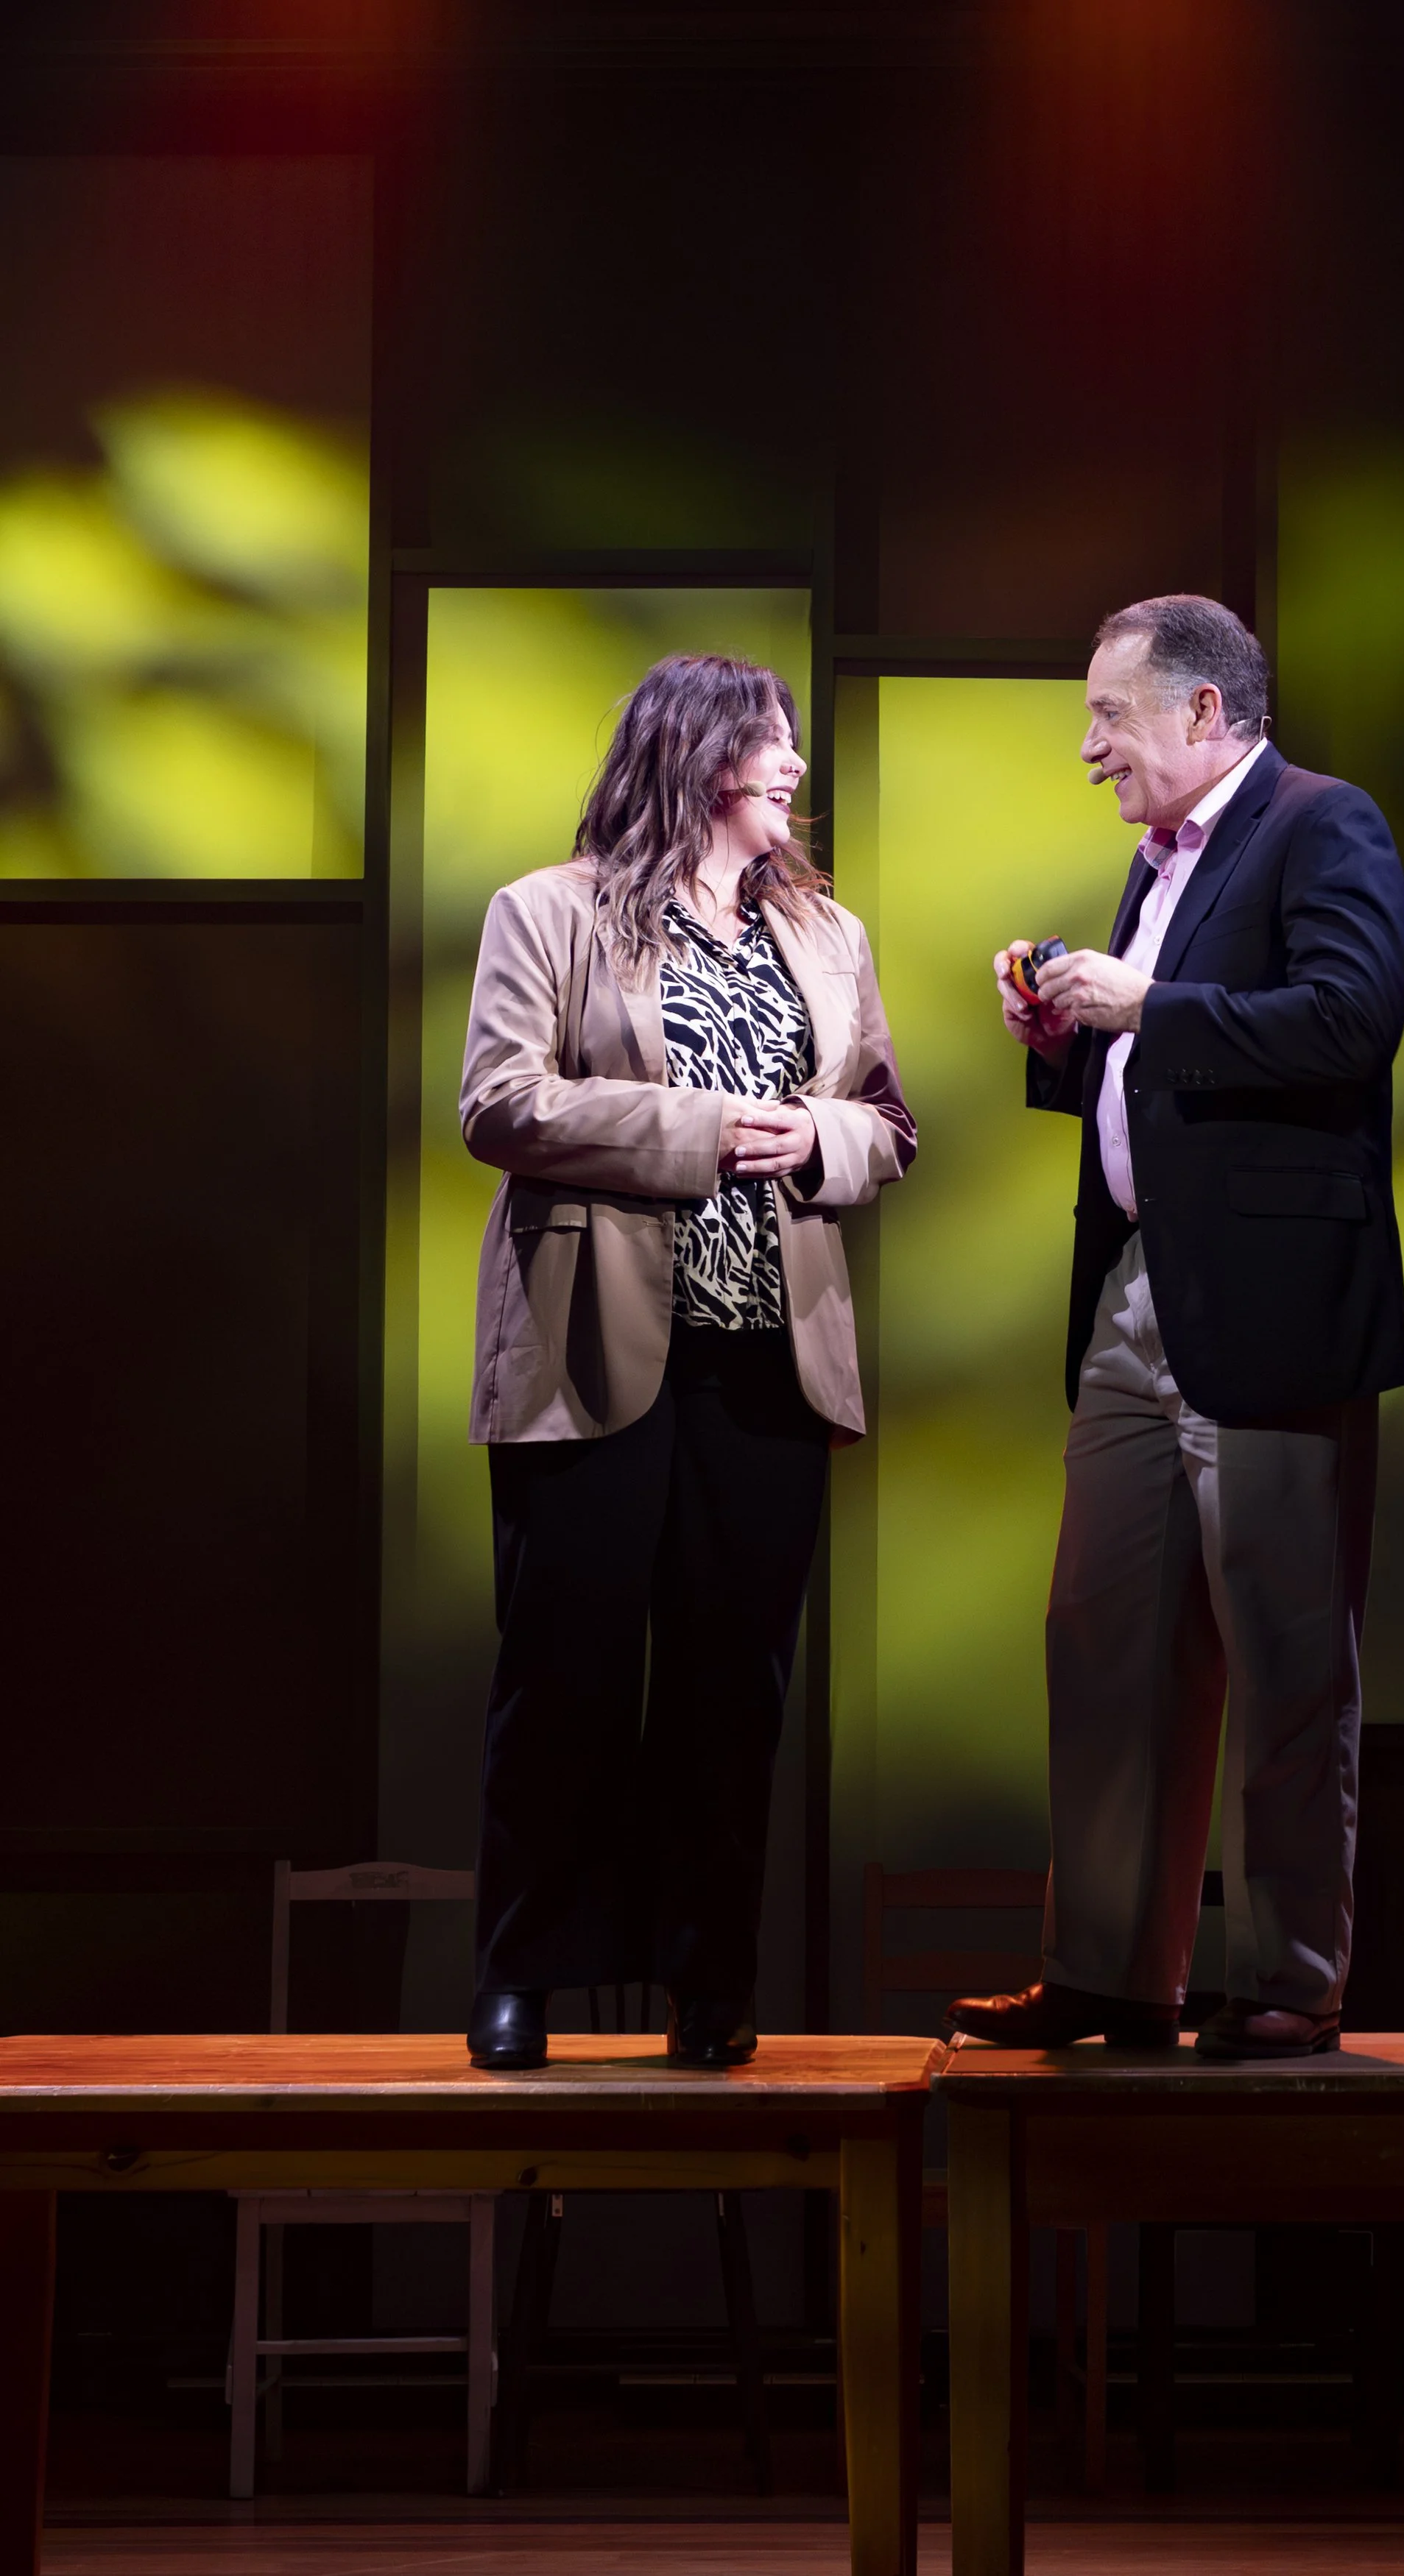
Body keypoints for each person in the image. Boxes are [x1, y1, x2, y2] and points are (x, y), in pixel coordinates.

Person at [946, 595, 1404, 2061]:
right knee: (1100, 1641)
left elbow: (1350, 1017)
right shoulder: (1152, 865)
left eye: (1108, 715)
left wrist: (1146, 998)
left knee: (1282, 1649)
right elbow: (1161, 1067)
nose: (1088, 746)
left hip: (1269, 1307)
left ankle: (1288, 1978)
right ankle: (1105, 1971)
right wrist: (1068, 1037)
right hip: (1134, 1292)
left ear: (1202, 715)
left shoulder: (1321, 827)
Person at [459, 653, 915, 2070]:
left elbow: (889, 1123)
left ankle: (711, 1978)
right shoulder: (550, 911)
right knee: (565, 1672)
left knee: (738, 1688)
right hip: (590, 1350)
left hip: (770, 1366)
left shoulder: (829, 934)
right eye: (774, 744)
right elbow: (500, 1101)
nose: (794, 767)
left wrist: (817, 1141)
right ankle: (524, 1972)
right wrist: (709, 1127)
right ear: (705, 755)